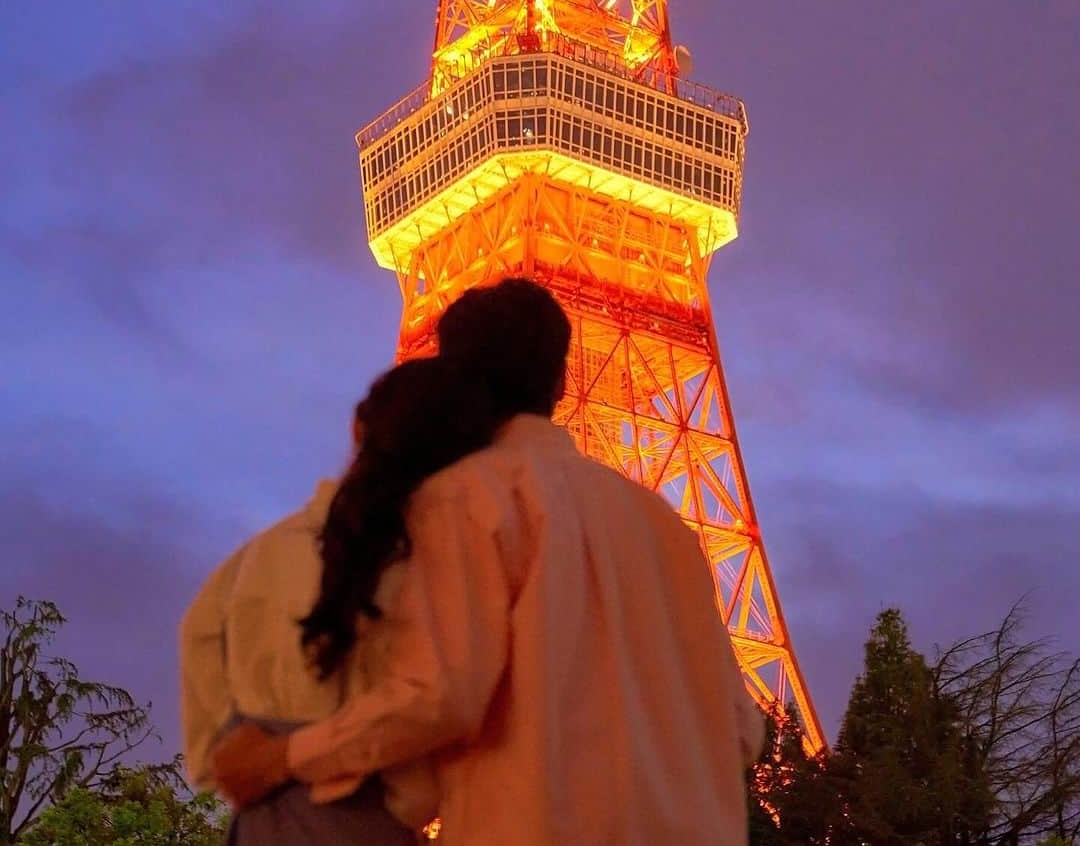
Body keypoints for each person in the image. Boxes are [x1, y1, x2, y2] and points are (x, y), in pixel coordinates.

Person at [213, 277, 765, 845]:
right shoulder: (664, 522)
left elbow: (440, 696)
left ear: (456, 376)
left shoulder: (466, 497)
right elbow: (742, 729)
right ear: (560, 380)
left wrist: (283, 757)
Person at [180, 355, 498, 844]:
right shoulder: (428, 570)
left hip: (259, 825)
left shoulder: (254, 559)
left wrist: (248, 760)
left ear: (357, 428)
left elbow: (198, 645)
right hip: (367, 823)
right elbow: (436, 703)